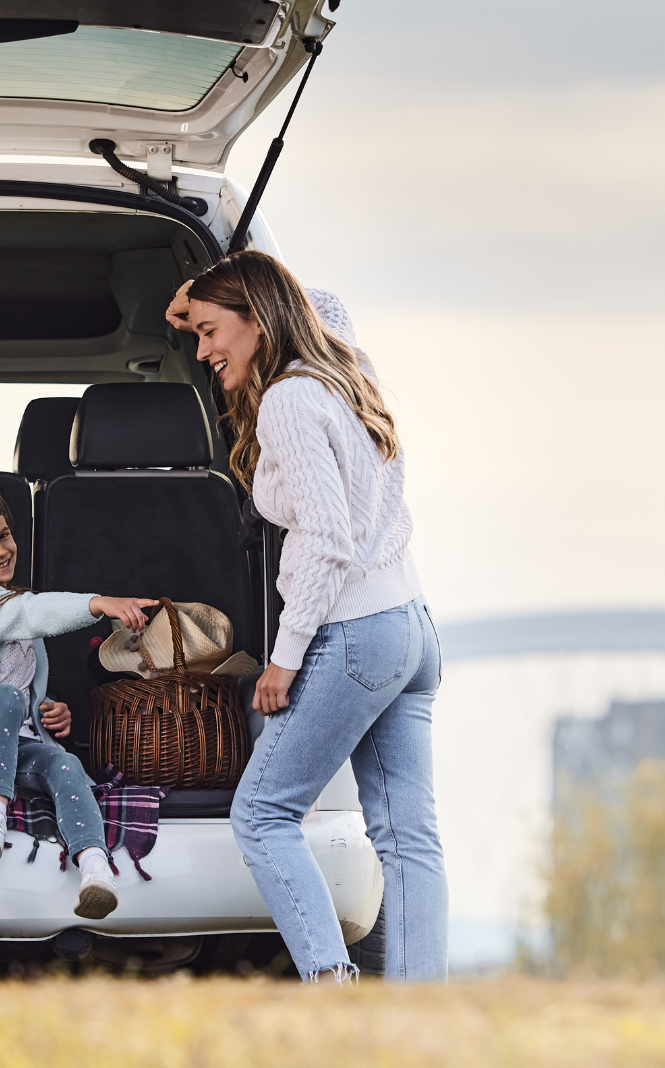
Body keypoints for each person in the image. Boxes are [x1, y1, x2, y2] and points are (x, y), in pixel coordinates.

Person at [167, 251, 445, 983]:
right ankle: (425, 1010)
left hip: (352, 634)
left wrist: (286, 657)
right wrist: (200, 297)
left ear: (258, 321)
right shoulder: (341, 369)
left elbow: (325, 539)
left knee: (261, 814)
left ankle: (329, 984)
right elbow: (317, 304)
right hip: (409, 626)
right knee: (408, 836)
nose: (202, 351)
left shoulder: (290, 399)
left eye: (209, 331)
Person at [0, 483, 159, 920]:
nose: (1, 549)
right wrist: (100, 603)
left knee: (65, 764)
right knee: (3, 697)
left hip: (8, 747)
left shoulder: (9, 605)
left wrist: (50, 710)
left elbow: (24, 683)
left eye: (4, 535)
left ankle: (95, 867)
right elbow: (28, 615)